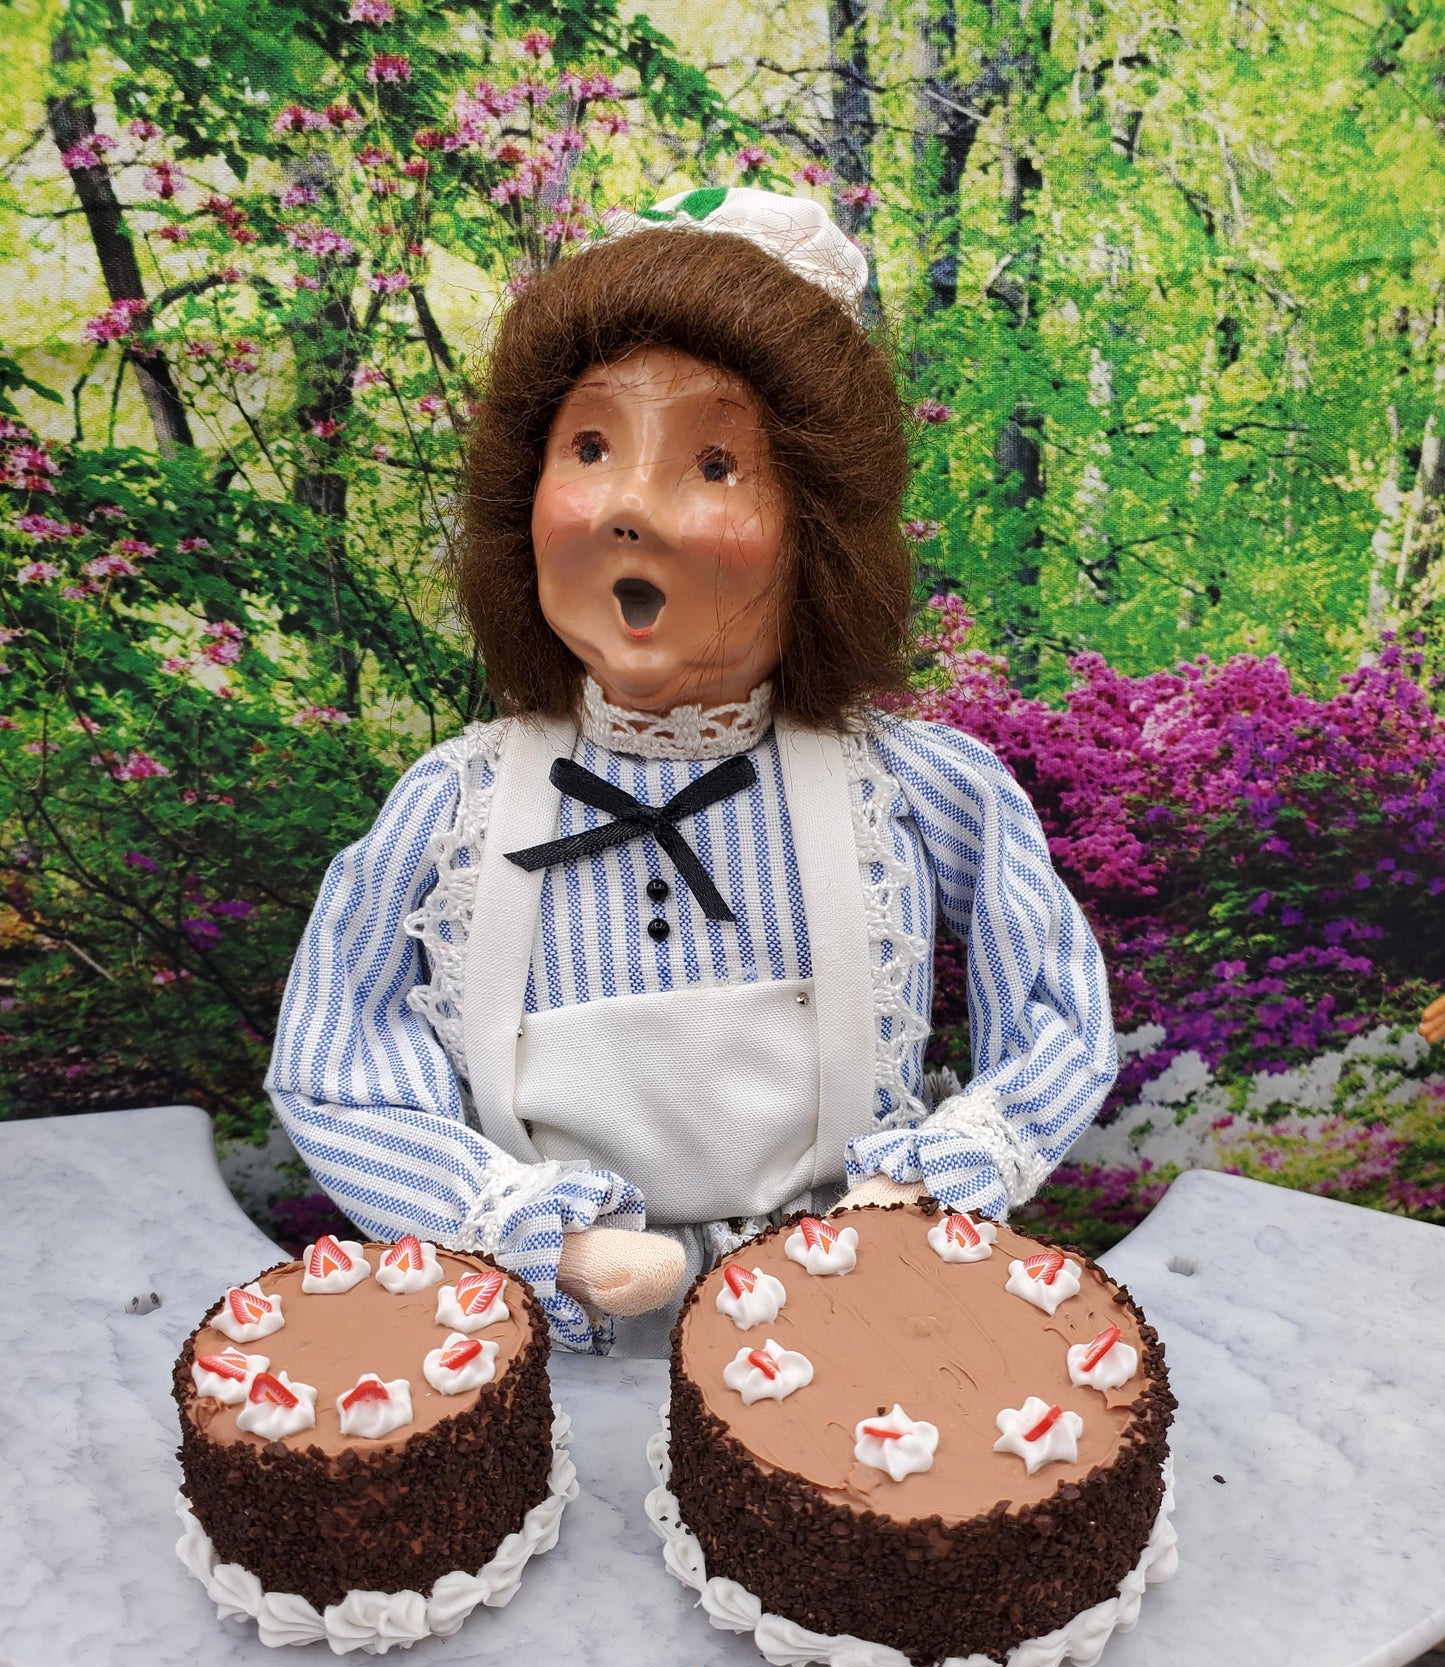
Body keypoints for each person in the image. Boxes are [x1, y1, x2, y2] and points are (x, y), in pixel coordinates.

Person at [266, 188, 1116, 1358]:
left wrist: (931, 1186)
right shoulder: (456, 805)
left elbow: (1060, 1015)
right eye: (590, 447)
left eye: (713, 463)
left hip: (845, 1327)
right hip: (533, 1343)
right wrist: (531, 1232)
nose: (626, 505)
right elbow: (335, 1060)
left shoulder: (916, 791)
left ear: (819, 528)